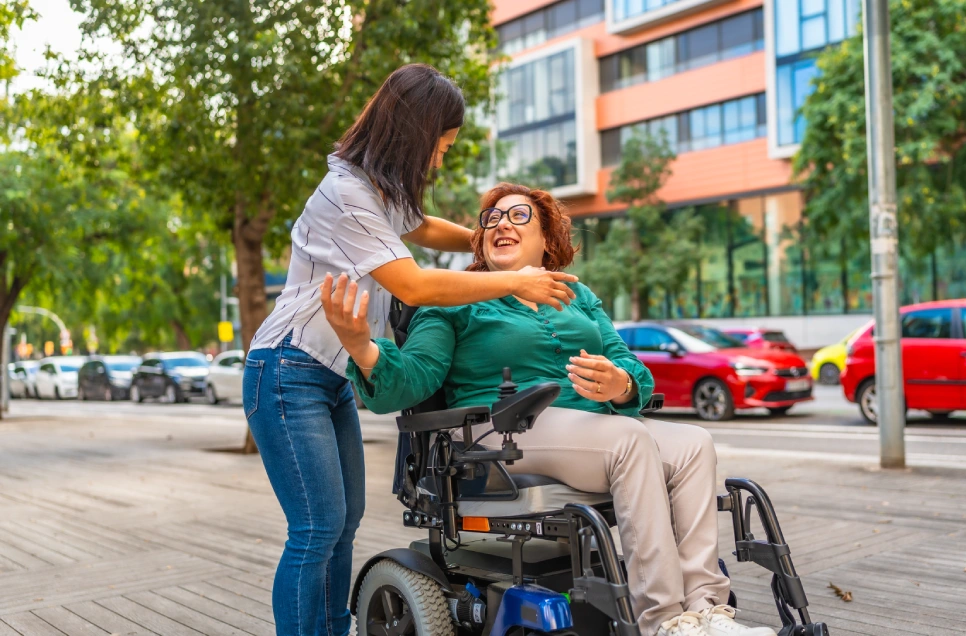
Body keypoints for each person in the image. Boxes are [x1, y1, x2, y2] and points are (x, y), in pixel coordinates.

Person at [325, 182, 779, 636]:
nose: (500, 222)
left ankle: (706, 608)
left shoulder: (579, 296)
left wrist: (621, 384)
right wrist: (363, 349)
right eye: (491, 218)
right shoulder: (457, 299)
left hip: (593, 427)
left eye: (519, 216)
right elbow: (414, 377)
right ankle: (663, 620)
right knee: (630, 439)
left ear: (547, 240)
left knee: (694, 443)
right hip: (499, 434)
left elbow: (627, 364)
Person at [243, 66, 579, 636]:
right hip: (285, 370)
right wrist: (513, 279)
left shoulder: (378, 189)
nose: (440, 160)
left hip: (329, 375)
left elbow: (423, 228)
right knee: (316, 528)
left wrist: (493, 235)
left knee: (343, 523)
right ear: (416, 132)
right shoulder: (347, 195)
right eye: (441, 146)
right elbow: (416, 285)